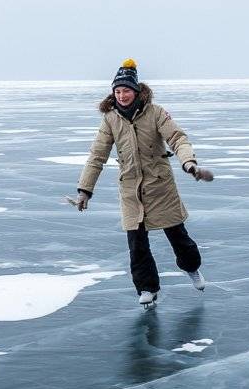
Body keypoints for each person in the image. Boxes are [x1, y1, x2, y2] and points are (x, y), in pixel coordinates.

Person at [74, 59, 214, 308]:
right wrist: (85, 190)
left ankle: (192, 268)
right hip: (130, 188)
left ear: (136, 91)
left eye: (126, 90)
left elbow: (177, 138)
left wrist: (188, 163)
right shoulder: (110, 120)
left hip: (160, 187)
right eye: (117, 91)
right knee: (137, 245)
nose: (122, 95)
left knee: (180, 239)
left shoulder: (156, 113)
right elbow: (97, 155)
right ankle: (147, 289)